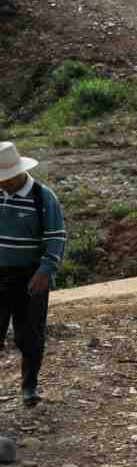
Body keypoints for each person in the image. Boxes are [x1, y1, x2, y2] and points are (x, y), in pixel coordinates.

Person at [0, 141, 66, 407]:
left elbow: (56, 236)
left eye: (6, 179)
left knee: (30, 335)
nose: (3, 184)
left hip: (31, 276)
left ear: (19, 172)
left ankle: (29, 387)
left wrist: (46, 270)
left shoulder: (43, 197)